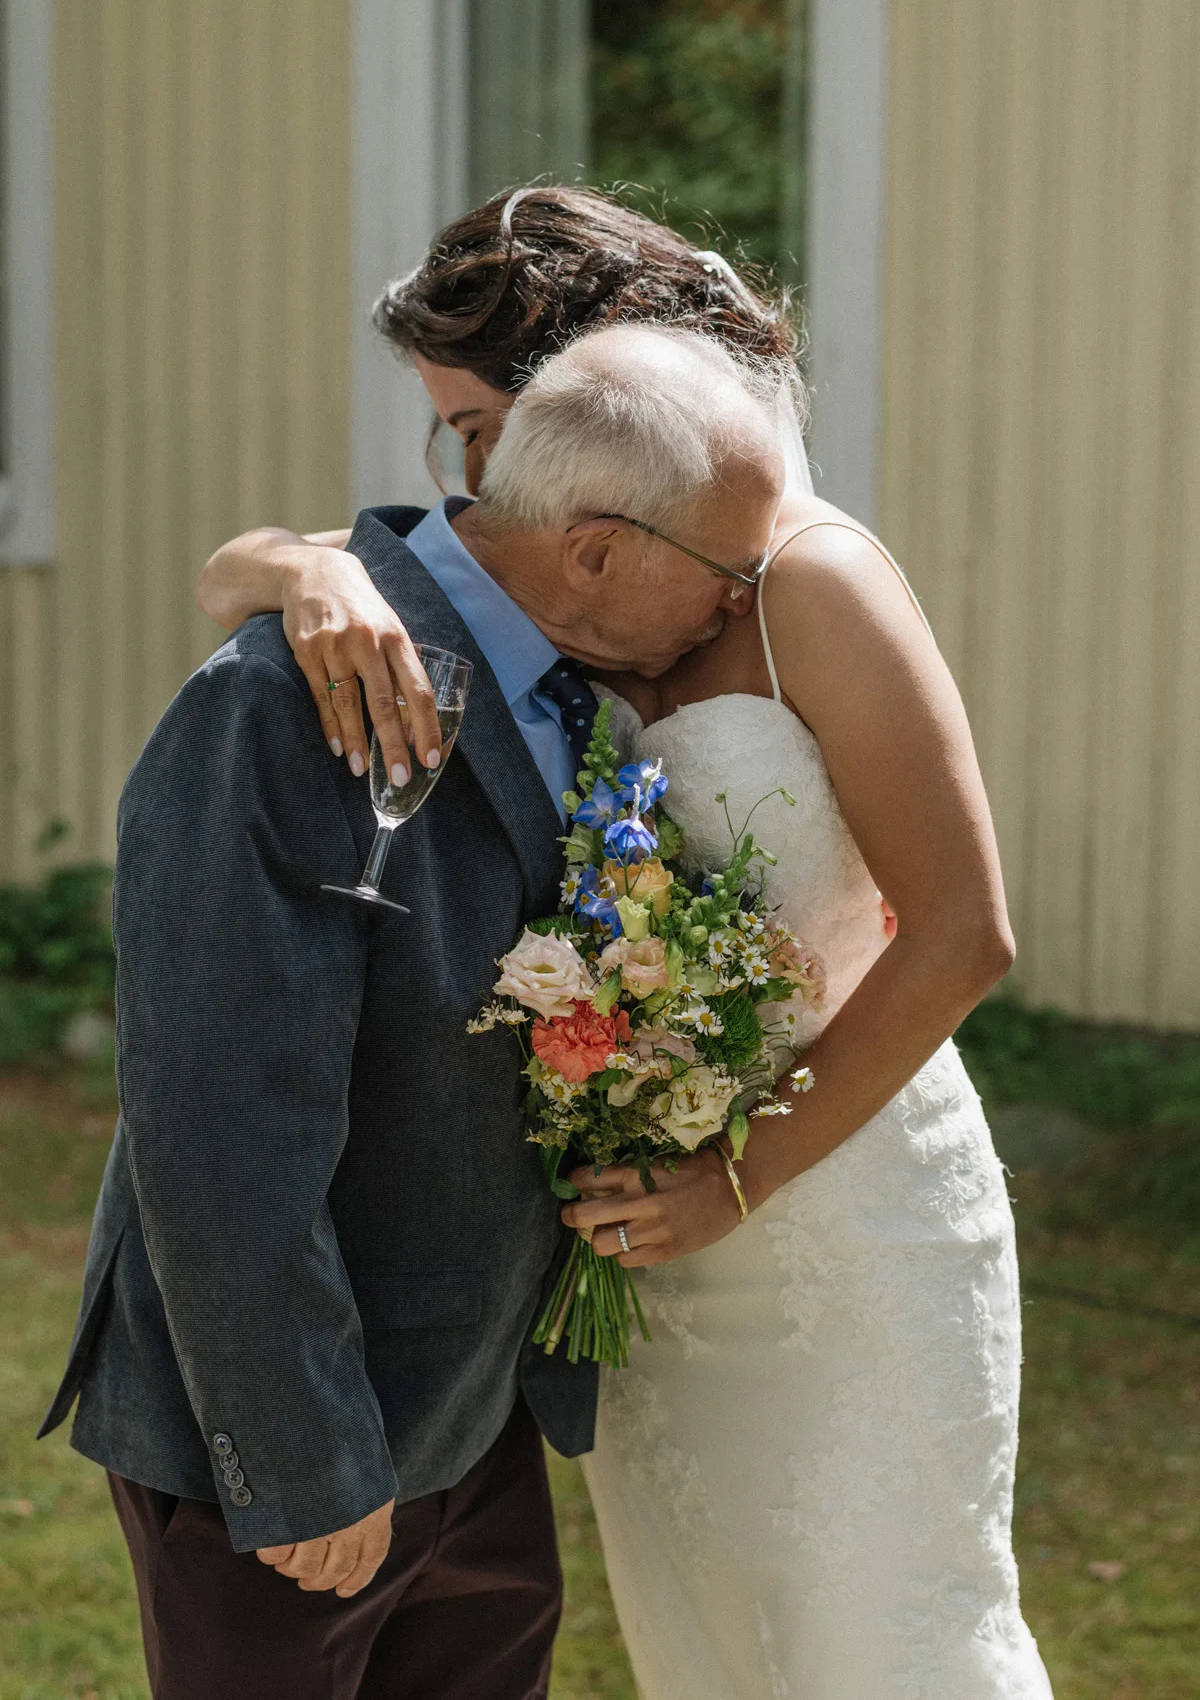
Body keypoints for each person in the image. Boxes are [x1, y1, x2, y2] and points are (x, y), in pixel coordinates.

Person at [200, 186, 1054, 1698]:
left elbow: (967, 931)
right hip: (646, 1264)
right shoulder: (533, 565)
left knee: (874, 1633)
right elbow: (229, 570)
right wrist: (309, 571)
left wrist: (740, 1176)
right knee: (703, 1637)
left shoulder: (807, 581)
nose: (468, 473)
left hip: (842, 1214)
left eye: (477, 424)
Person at [42, 323, 784, 1700]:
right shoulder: (279, 705)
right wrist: (307, 1456)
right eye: (728, 574)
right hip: (284, 1448)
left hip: (475, 1413)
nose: (739, 606)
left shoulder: (591, 681)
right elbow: (217, 1130)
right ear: (598, 551)